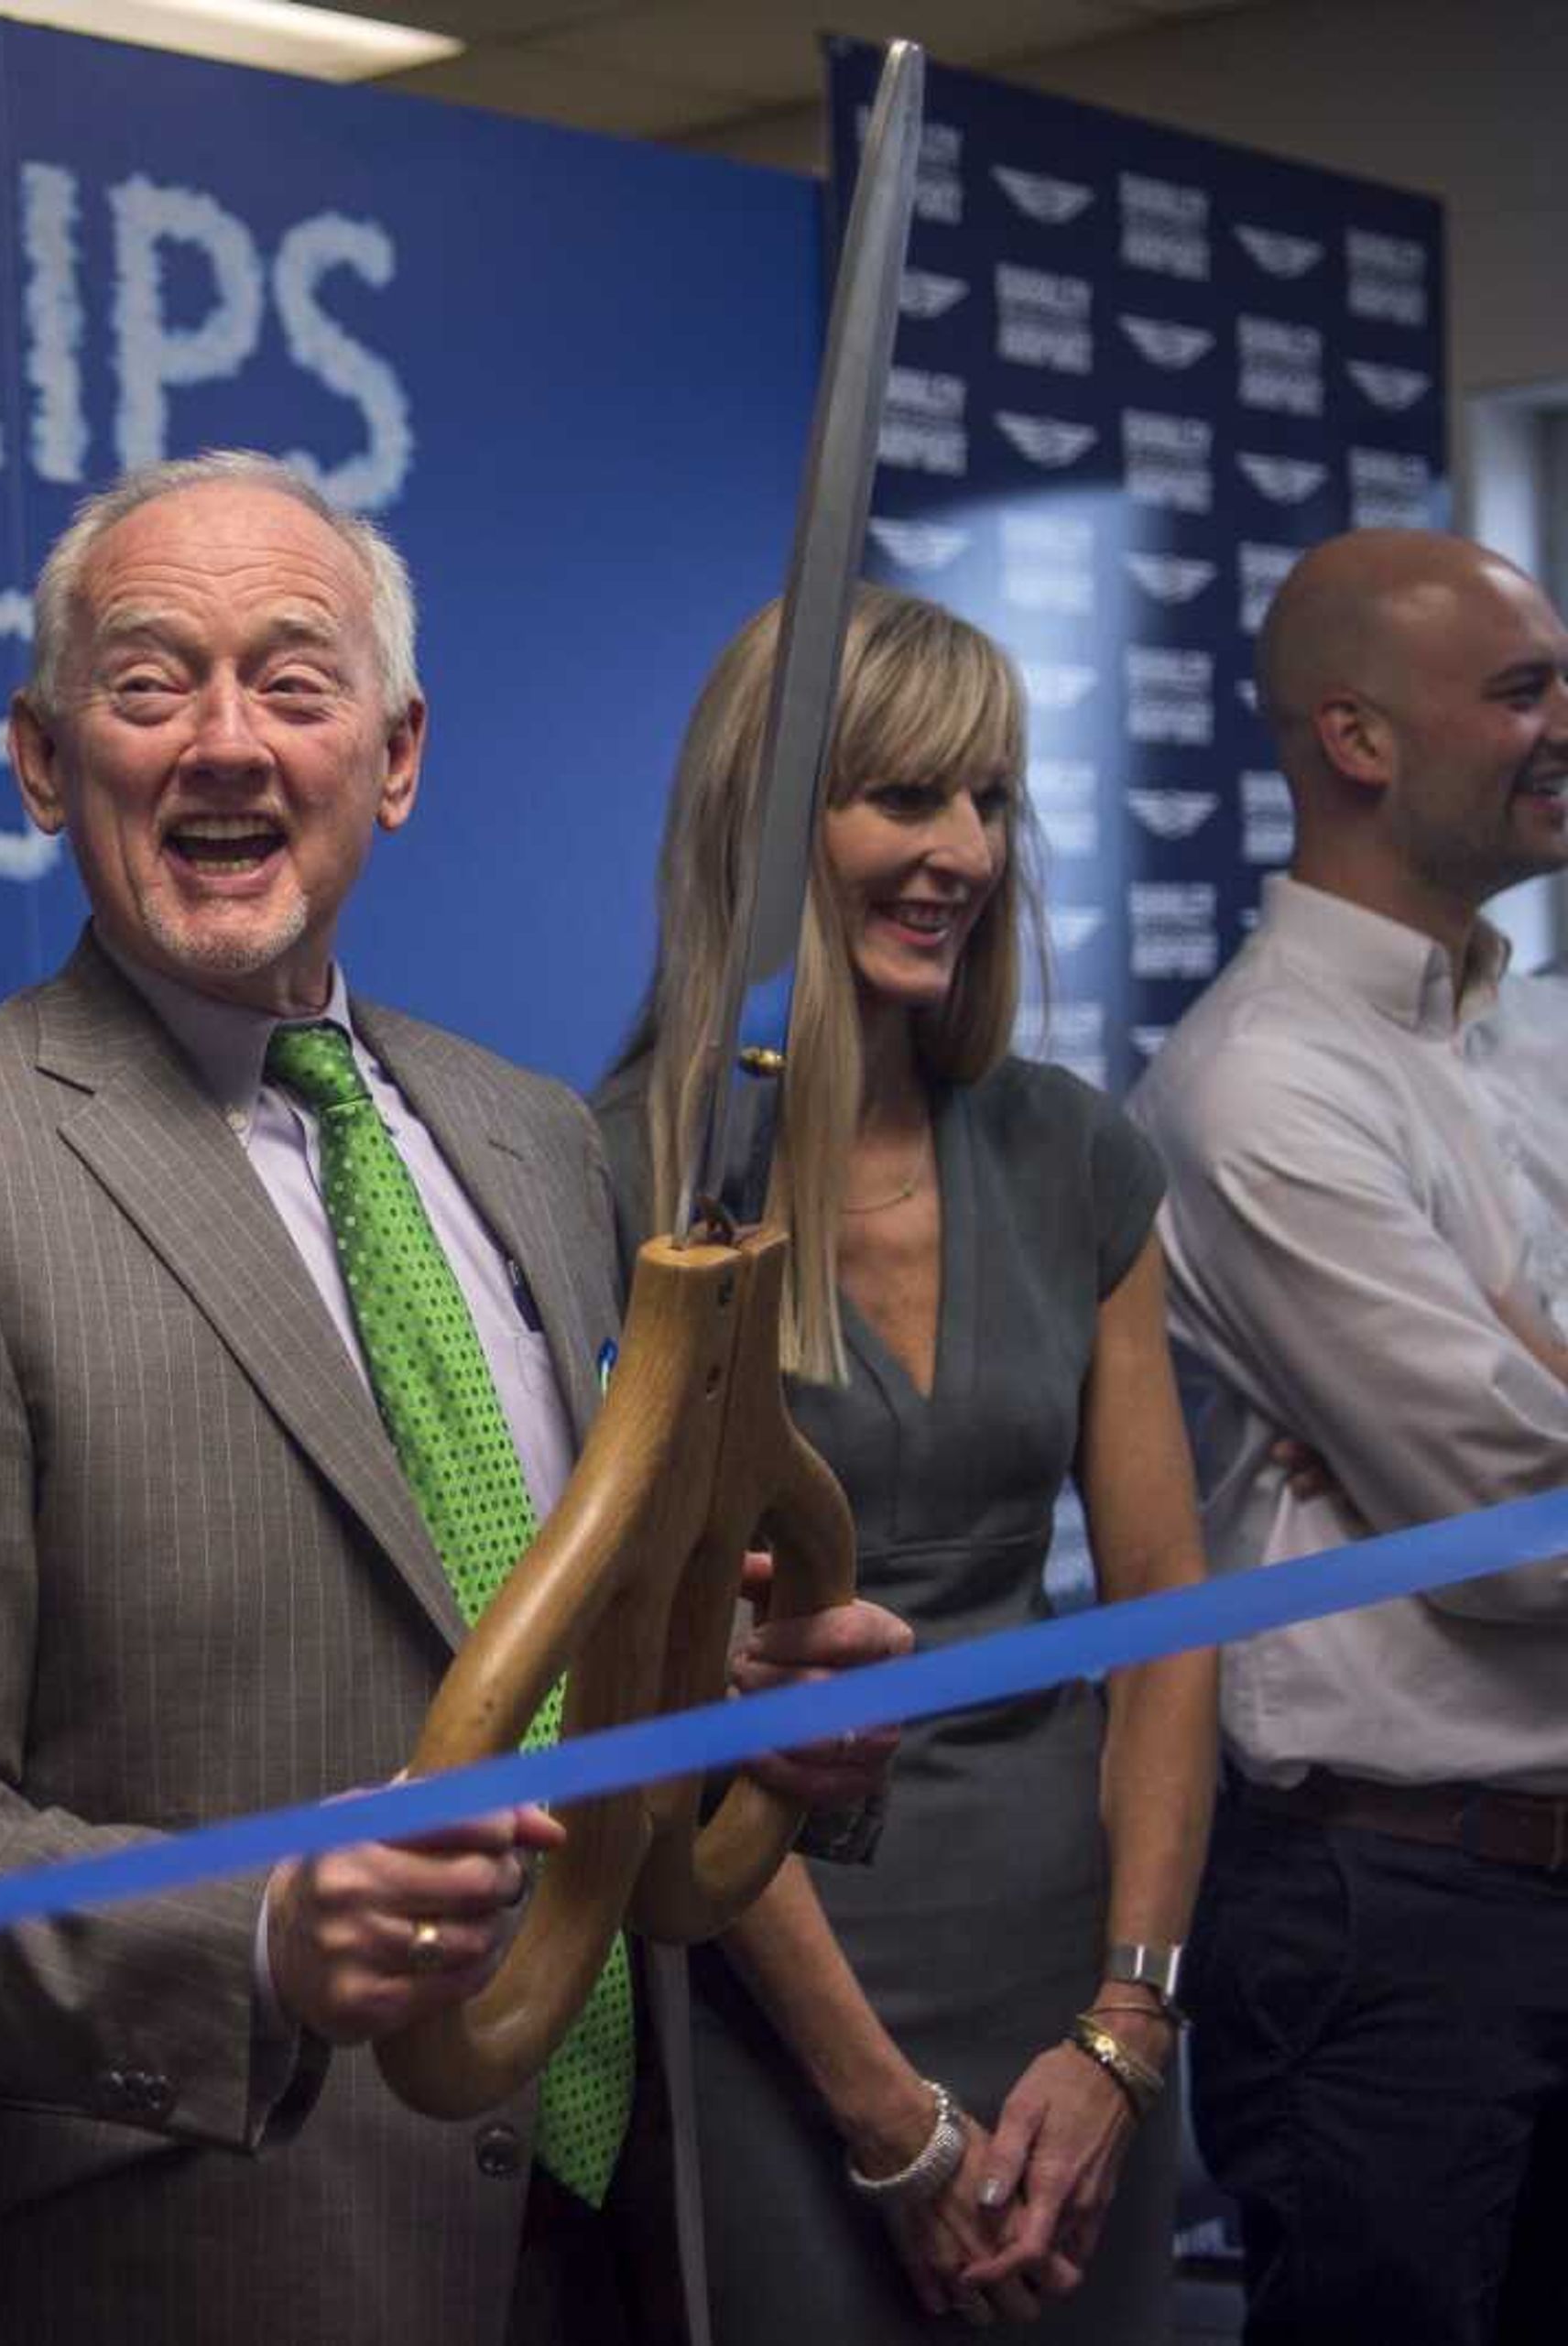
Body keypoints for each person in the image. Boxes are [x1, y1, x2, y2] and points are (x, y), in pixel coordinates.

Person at [0, 451, 907, 2346]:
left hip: (608, 2225)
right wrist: (252, 1927)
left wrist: (744, 1735)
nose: (226, 743)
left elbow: (547, 1672)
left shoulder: (523, 1138)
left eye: (293, 679)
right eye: (149, 680)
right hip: (201, 2262)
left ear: (399, 757)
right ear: (39, 760)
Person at [595, 587, 1215, 2336]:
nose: (961, 848)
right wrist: (886, 2119)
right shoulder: (615, 1181)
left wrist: (1127, 2021)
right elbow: (653, 1693)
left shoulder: (1074, 1153)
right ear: (773, 815)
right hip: (774, 1992)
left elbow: (1167, 1612)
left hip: (1068, 1971)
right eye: (907, 796)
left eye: (991, 800)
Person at [1126, 527, 1568, 2346]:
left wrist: (1526, 1367)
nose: (1567, 726)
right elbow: (1516, 1529)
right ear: (1359, 741)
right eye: (1526, 690)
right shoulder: (1259, 1082)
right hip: (1391, 1922)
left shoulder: (1534, 1037)